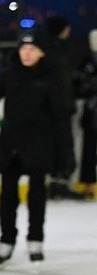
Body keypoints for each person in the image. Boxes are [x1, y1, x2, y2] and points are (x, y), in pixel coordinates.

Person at [0, 27, 73, 269]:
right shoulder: (9, 75)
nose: (27, 53)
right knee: (7, 195)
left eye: (32, 49)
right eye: (23, 48)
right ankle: (6, 241)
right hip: (11, 144)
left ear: (42, 53)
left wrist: (67, 153)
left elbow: (62, 117)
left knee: (36, 194)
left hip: (39, 144)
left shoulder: (51, 78)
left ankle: (35, 239)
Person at [43, 14, 84, 200]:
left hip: (61, 107)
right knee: (61, 146)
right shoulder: (52, 53)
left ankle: (59, 183)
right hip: (57, 109)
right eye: (66, 27)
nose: (69, 31)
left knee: (63, 146)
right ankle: (58, 184)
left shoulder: (59, 50)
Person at [74, 29, 97, 199]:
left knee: (89, 151)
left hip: (91, 112)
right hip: (92, 114)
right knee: (89, 151)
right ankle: (89, 184)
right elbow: (81, 85)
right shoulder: (87, 62)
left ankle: (89, 184)